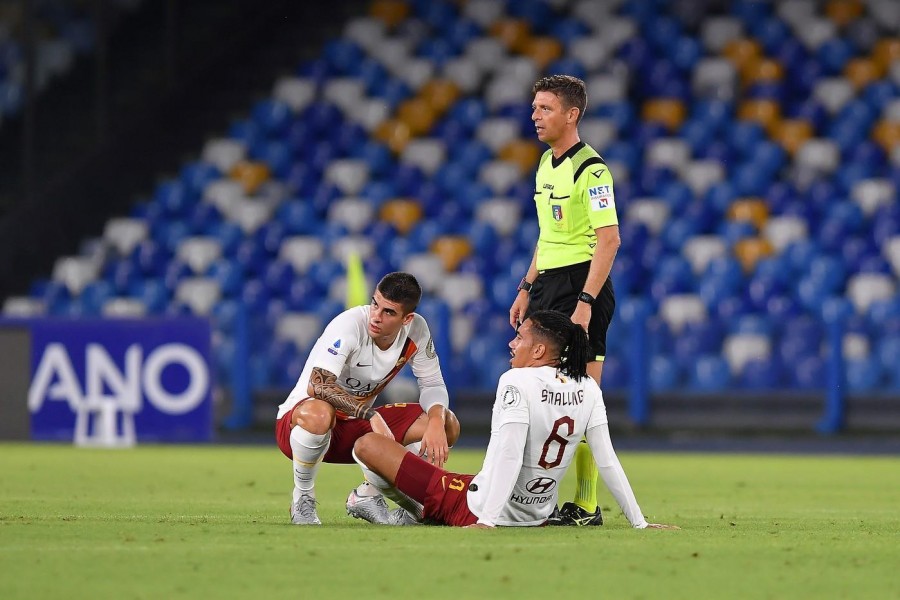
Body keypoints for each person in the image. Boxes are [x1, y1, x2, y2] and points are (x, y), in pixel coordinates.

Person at [351, 310, 677, 529]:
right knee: (454, 470)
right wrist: (640, 523)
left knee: (367, 445)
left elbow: (509, 453)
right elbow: (607, 460)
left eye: (520, 338)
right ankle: (415, 508)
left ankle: (405, 509)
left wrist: (486, 520)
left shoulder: (516, 380)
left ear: (537, 352)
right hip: (535, 515)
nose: (511, 343)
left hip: (473, 505)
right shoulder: (589, 386)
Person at [508, 74, 622, 526]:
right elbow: (546, 234)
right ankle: (538, 500)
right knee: (537, 394)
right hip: (547, 283)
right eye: (535, 108)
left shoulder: (591, 171)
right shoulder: (543, 164)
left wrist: (587, 300)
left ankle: (587, 504)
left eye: (545, 109)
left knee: (582, 397)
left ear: (572, 115)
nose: (535, 116)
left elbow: (609, 240)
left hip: (581, 284)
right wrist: (525, 286)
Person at [274, 271, 460, 525]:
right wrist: (370, 414)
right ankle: (303, 499)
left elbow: (432, 382)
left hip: (356, 431)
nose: (376, 316)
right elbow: (317, 385)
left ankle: (369, 494)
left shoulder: (417, 330)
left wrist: (436, 421)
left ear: (407, 319)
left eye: (388, 312)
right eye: (375, 303)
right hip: (300, 426)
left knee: (447, 423)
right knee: (320, 413)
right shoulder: (349, 325)